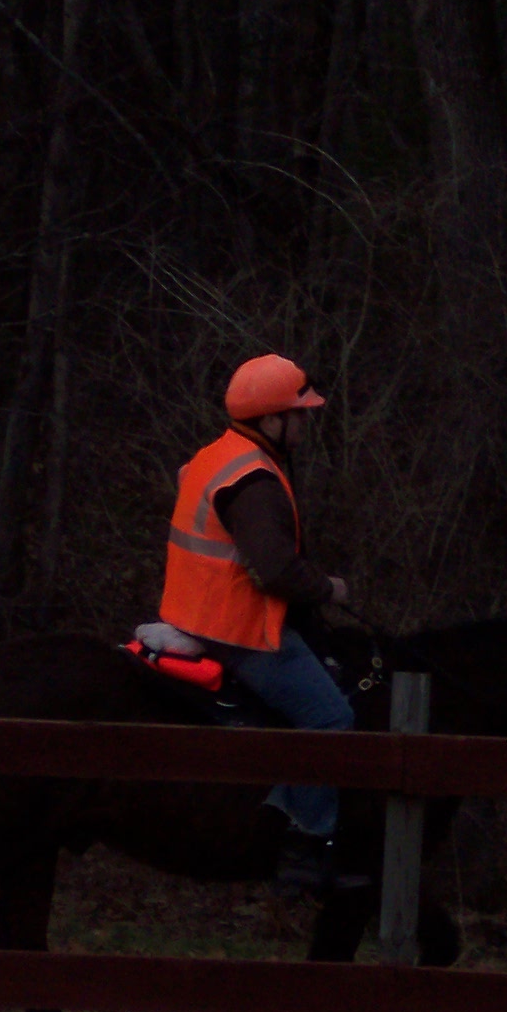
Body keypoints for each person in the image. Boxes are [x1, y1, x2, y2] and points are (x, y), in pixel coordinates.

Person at [159, 353, 359, 894]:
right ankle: (306, 842)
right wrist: (330, 589)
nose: (305, 425)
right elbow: (274, 570)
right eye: (300, 415)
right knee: (331, 720)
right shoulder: (255, 481)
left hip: (191, 613)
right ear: (272, 420)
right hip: (237, 629)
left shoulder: (216, 455)